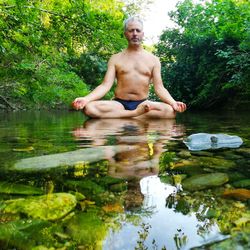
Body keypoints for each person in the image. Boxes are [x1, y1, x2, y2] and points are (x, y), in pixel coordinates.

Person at [72, 16, 186, 118]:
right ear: (125, 34)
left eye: (138, 30)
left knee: (170, 111)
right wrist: (86, 99)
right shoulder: (115, 58)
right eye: (131, 30)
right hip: (119, 104)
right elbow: (105, 85)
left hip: (143, 104)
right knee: (89, 108)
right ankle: (135, 115)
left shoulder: (154, 60)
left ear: (143, 34)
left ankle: (122, 116)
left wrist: (173, 102)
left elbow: (159, 88)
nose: (135, 33)